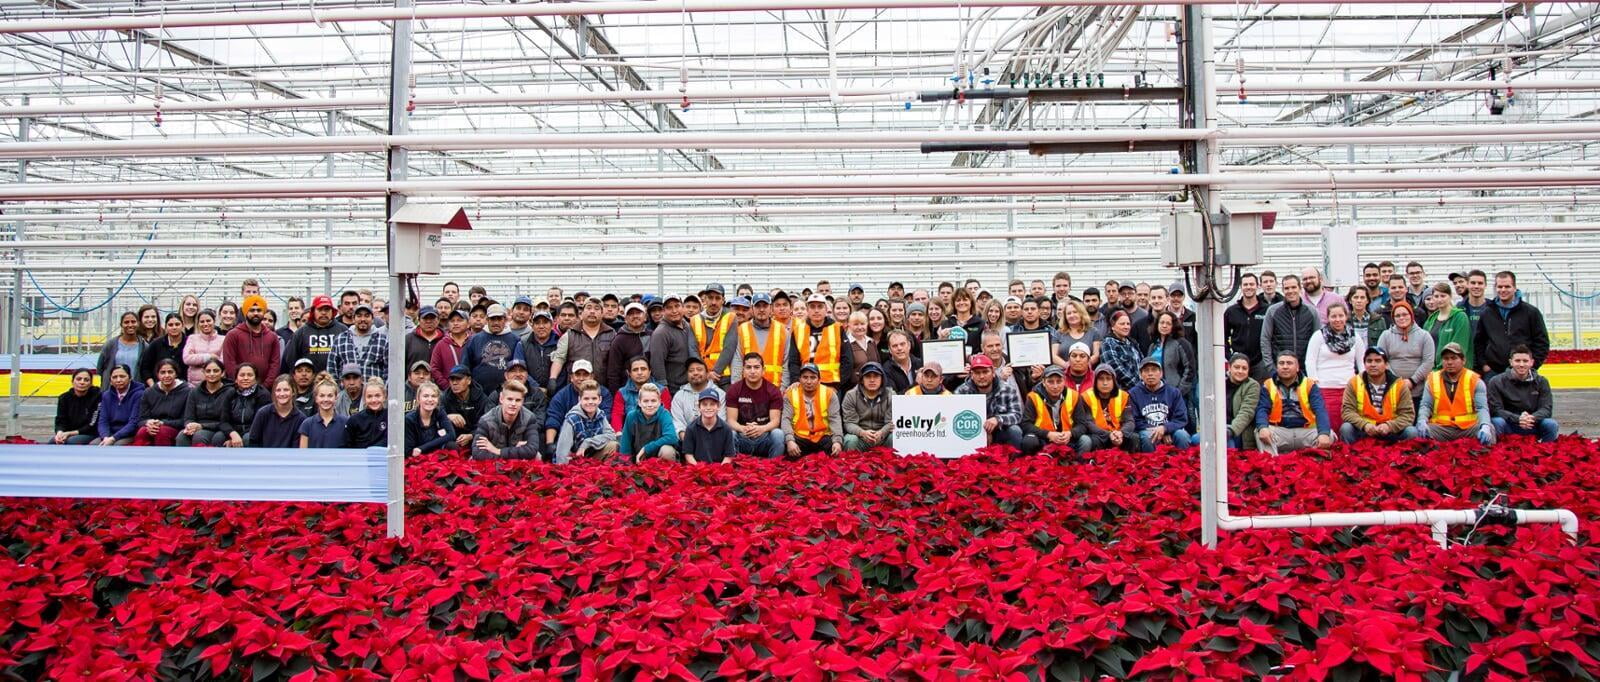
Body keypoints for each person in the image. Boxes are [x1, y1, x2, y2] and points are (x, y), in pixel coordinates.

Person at [1474, 270, 1549, 380]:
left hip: (1522, 371)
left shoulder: (1530, 312)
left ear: (1514, 288)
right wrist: (1485, 365)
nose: (1503, 290)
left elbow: (1542, 342)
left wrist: (1532, 365)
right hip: (1494, 372)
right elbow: (1479, 341)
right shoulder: (1487, 313)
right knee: (1494, 397)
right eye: (1500, 287)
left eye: (1507, 286)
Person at [1254, 352, 1332, 454]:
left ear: (1297, 367)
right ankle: (1272, 464)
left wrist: (1324, 433)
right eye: (1281, 363)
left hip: (1305, 431)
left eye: (1289, 363)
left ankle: (1313, 464)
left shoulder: (1309, 385)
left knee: (1328, 435)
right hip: (1280, 431)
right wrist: (1263, 427)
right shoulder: (1268, 385)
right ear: (1277, 367)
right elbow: (1262, 409)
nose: (1285, 367)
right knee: (1259, 431)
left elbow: (1320, 410)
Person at [1417, 342, 1494, 445]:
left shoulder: (1475, 381)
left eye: (1454, 358)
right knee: (1415, 433)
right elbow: (1426, 405)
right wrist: (1422, 420)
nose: (1449, 362)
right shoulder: (1432, 379)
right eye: (1446, 358)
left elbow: (1482, 408)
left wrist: (1485, 425)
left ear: (1463, 360)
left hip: (1468, 428)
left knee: (1491, 430)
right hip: (1441, 428)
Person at [1304, 301, 1363, 434]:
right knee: (1328, 423)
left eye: (1340, 316)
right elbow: (1310, 361)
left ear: (1346, 316)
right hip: (1324, 388)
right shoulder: (1319, 336)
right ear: (1328, 318)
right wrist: (1314, 381)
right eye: (1333, 316)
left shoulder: (1355, 337)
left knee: (1347, 424)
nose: (1337, 320)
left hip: (1349, 388)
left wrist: (1362, 381)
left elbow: (1362, 362)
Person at [1339, 347, 1417, 444]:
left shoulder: (1399, 385)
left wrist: (1389, 426)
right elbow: (1347, 411)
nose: (1373, 365)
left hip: (1391, 432)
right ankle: (1350, 456)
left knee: (1411, 432)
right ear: (1364, 364)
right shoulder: (1354, 383)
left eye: (1378, 361)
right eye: (1369, 361)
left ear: (1386, 365)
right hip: (1364, 430)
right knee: (1346, 428)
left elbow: (1408, 415)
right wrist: (1365, 425)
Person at [1487, 345, 1559, 443]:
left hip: (1533, 423)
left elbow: (1546, 409)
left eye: (1525, 361)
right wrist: (1518, 419)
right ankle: (1499, 451)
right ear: (1510, 362)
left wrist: (1532, 417)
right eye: (1517, 361)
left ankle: (1546, 452)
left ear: (1532, 362)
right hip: (1509, 424)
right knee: (1496, 422)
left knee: (1551, 424)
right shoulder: (1496, 381)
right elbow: (1496, 410)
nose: (1521, 364)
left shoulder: (1542, 381)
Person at [544, 360, 614, 455]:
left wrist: (588, 442)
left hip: (597, 444)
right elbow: (553, 419)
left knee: (613, 445)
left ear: (592, 377)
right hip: (572, 447)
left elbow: (608, 424)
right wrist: (550, 444)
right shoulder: (561, 397)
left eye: (585, 374)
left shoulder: (603, 394)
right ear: (571, 378)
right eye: (577, 374)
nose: (581, 378)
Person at [954, 354, 1024, 449]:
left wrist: (997, 419)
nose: (981, 376)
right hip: (970, 433)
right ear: (972, 375)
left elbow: (1017, 415)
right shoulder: (961, 391)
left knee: (1015, 431)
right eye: (977, 373)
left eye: (985, 372)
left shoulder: (1008, 389)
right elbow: (955, 417)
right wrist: (982, 432)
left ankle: (1012, 461)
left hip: (999, 432)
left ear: (993, 372)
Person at [725, 353, 786, 458]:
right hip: (742, 435)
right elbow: (731, 421)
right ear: (743, 370)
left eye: (756, 367)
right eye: (748, 367)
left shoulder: (773, 391)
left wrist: (761, 429)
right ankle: (733, 469)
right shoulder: (734, 390)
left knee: (778, 434)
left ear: (763, 370)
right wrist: (743, 428)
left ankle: (774, 468)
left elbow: (775, 421)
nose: (752, 371)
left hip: (764, 436)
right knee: (730, 433)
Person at [789, 294, 851, 393]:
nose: (816, 310)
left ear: (826, 309)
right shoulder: (798, 330)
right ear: (807, 310)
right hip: (806, 385)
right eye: (812, 307)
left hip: (831, 385)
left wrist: (838, 386)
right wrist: (796, 381)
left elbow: (847, 360)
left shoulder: (837, 328)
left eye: (820, 307)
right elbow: (793, 361)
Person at [1259, 274, 1319, 377]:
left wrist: (1314, 367)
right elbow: (1265, 339)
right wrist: (1271, 368)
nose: (1290, 291)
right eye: (1287, 288)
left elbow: (1319, 340)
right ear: (1282, 290)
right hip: (1281, 370)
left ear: (1300, 288)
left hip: (1305, 370)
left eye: (1293, 287)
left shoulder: (1312, 311)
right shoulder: (1273, 311)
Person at [551, 298, 617, 392]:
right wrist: (552, 378)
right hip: (576, 390)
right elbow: (559, 359)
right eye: (589, 308)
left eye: (597, 308)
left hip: (603, 389)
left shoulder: (612, 334)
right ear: (581, 313)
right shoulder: (570, 335)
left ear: (602, 313)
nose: (592, 311)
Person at [1128, 356, 1191, 452]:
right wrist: (1157, 431)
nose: (1150, 374)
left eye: (1154, 370)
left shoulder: (1174, 392)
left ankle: (1183, 464)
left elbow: (1181, 419)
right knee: (1146, 437)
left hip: (1170, 430)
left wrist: (1165, 429)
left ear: (1161, 373)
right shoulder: (1133, 393)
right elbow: (1134, 420)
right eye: (1146, 371)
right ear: (1140, 375)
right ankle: (1150, 465)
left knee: (1182, 436)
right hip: (1147, 431)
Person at [472, 380, 543, 460]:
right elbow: (477, 453)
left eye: (518, 400)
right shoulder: (486, 420)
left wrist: (498, 451)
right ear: (501, 399)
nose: (513, 404)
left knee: (537, 456)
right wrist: (514, 454)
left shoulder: (529, 418)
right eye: (509, 399)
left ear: (522, 401)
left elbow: (532, 450)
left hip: (517, 464)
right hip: (494, 464)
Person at [459, 303, 522, 394]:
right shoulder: (474, 340)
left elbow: (519, 368)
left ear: (505, 319)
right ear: (487, 320)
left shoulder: (515, 340)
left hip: (507, 393)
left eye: (499, 319)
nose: (496, 322)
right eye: (492, 319)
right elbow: (465, 367)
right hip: (479, 394)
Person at [783, 364, 842, 457]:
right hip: (799, 437)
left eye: (813, 377)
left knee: (834, 449)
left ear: (819, 380)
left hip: (823, 437)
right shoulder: (790, 394)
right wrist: (790, 440)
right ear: (799, 379)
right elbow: (785, 419)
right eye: (805, 377)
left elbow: (835, 419)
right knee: (787, 446)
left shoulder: (829, 394)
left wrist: (837, 441)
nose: (809, 381)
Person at [1377, 301, 1434, 396]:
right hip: (1393, 389)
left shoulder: (1424, 336)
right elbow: (1381, 360)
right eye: (1397, 316)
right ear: (1393, 318)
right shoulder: (1385, 336)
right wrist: (1396, 381)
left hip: (1420, 391)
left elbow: (1428, 362)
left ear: (1411, 315)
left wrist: (1412, 381)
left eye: (1405, 314)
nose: (1402, 318)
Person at [1020, 365, 1080, 455]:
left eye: (1059, 381)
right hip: (1043, 438)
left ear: (1064, 381)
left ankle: (1078, 464)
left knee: (1085, 440)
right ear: (1043, 382)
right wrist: (1048, 434)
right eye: (1050, 382)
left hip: (1067, 439)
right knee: (1029, 441)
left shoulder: (1074, 396)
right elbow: (1025, 425)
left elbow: (1083, 423)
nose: (1055, 386)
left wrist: (1070, 433)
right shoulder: (1033, 397)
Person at [553, 380, 618, 463]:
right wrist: (563, 471)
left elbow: (611, 435)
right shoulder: (572, 419)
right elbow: (562, 452)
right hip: (574, 460)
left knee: (613, 445)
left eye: (594, 398)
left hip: (592, 456)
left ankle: (604, 474)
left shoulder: (600, 414)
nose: (590, 402)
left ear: (600, 399)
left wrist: (588, 442)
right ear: (579, 399)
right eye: (586, 399)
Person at [222, 295, 282, 383]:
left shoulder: (272, 337)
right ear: (245, 312)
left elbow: (275, 364)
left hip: (264, 390)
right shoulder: (233, 335)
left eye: (259, 310)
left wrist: (265, 386)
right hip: (238, 389)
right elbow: (230, 363)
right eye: (252, 310)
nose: (256, 313)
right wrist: (239, 383)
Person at [1076, 364, 1135, 453]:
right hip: (1098, 435)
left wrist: (1121, 433)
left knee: (1135, 438)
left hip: (1118, 434)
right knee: (1088, 440)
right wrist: (1109, 435)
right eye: (1101, 379)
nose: (1105, 383)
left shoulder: (1123, 396)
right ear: (1095, 381)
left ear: (1114, 381)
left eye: (1108, 378)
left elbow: (1129, 421)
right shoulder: (1086, 397)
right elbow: (1088, 423)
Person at [133, 359, 191, 446]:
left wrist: (163, 423)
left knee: (162, 432)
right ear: (157, 374)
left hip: (175, 428)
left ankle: (164, 459)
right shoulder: (149, 392)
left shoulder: (187, 392)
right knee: (142, 431)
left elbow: (185, 420)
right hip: (154, 426)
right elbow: (141, 419)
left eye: (170, 372)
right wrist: (148, 423)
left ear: (176, 373)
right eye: (163, 372)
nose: (166, 375)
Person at [648, 294, 698, 392]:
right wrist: (663, 389)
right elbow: (657, 364)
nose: (674, 311)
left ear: (682, 307)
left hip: (690, 385)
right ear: (664, 311)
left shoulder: (687, 325)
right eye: (669, 308)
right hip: (673, 389)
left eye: (677, 306)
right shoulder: (661, 333)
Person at [286, 295, 346, 376]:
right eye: (320, 309)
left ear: (332, 312)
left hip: (336, 382)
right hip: (309, 384)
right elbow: (291, 359)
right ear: (313, 311)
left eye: (327, 309)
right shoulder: (301, 333)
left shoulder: (343, 331)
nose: (324, 312)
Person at [619, 383, 679, 463]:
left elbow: (672, 437)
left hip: (659, 459)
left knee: (667, 451)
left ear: (659, 402)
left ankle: (664, 474)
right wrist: (626, 468)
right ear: (639, 402)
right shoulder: (631, 416)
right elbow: (625, 445)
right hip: (638, 459)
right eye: (646, 401)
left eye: (653, 401)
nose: (650, 405)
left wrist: (646, 448)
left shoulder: (664, 414)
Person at [325, 303, 387, 381]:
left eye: (367, 316)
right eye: (359, 316)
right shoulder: (341, 339)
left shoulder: (383, 340)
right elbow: (331, 368)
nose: (363, 319)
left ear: (373, 319)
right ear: (353, 319)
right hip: (346, 391)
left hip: (374, 392)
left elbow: (388, 370)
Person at [1151, 311, 1196, 413]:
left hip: (1176, 393)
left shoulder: (1181, 343)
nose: (1164, 326)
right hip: (1156, 393)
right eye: (1162, 322)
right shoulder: (1153, 346)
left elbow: (1190, 368)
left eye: (1168, 323)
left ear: (1173, 326)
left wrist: (1179, 391)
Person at [841, 362, 893, 452]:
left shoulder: (891, 395)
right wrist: (862, 433)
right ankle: (851, 465)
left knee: (894, 437)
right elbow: (849, 423)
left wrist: (881, 433)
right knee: (850, 439)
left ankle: (897, 465)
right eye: (868, 376)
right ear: (862, 380)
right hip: (861, 437)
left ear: (882, 379)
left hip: (883, 437)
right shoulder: (851, 395)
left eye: (876, 376)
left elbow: (891, 422)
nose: (872, 380)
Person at [611, 355, 672, 431]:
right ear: (629, 373)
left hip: (657, 434)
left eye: (643, 369)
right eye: (635, 370)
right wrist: (618, 433)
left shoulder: (662, 391)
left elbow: (666, 416)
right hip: (630, 435)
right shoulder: (622, 393)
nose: (639, 373)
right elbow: (617, 415)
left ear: (649, 371)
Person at [1224, 273, 1268, 377]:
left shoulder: (1267, 310)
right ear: (1240, 287)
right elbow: (1223, 337)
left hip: (1260, 363)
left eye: (1251, 284)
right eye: (1245, 284)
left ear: (1257, 286)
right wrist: (1230, 357)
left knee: (1260, 392)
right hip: (1238, 364)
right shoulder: (1231, 311)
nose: (1248, 287)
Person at [691, 283, 735, 382]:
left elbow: (729, 348)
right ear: (705, 299)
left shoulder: (731, 318)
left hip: (723, 376)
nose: (713, 302)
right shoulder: (694, 320)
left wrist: (715, 372)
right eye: (710, 298)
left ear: (723, 300)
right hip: (702, 376)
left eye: (717, 298)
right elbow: (693, 350)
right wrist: (705, 372)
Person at [1422, 283, 1473, 370]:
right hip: (1433, 371)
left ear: (1450, 296)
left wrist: (1441, 367)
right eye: (1436, 296)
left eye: (1443, 296)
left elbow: (1460, 347)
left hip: (1455, 370)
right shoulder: (1431, 320)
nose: (1439, 299)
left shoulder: (1460, 317)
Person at [680, 387, 737, 464]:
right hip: (698, 469)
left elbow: (729, 456)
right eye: (704, 404)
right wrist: (699, 469)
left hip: (720, 470)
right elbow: (688, 455)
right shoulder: (691, 428)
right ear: (698, 407)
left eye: (712, 404)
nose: (708, 408)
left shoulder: (726, 429)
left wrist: (719, 471)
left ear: (719, 406)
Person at [669, 359, 724, 438]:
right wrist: (686, 438)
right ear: (687, 375)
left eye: (699, 369)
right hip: (686, 441)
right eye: (691, 370)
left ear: (707, 373)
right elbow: (677, 422)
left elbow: (722, 420)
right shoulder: (679, 396)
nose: (695, 373)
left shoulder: (719, 394)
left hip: (714, 439)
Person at [605, 302, 653, 390]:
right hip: (628, 389)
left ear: (645, 317)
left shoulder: (652, 336)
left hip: (651, 388)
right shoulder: (619, 340)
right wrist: (616, 394)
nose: (635, 316)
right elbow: (613, 372)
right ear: (626, 319)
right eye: (631, 314)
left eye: (638, 313)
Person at [220, 363, 269, 447]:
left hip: (253, 432)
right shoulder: (230, 393)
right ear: (236, 379)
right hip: (234, 432)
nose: (245, 378)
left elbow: (259, 424)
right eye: (242, 375)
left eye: (250, 375)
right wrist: (233, 434)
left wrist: (239, 437)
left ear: (256, 379)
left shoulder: (263, 395)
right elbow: (223, 422)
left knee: (247, 438)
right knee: (218, 437)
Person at [250, 374, 306, 448]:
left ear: (293, 392)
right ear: (274, 392)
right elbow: (253, 441)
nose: (282, 394)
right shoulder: (263, 413)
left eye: (286, 390)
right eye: (278, 390)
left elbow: (296, 449)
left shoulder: (301, 419)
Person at [95, 365, 144, 446]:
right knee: (94, 444)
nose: (118, 380)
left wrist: (113, 438)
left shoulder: (139, 394)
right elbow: (103, 421)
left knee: (117, 446)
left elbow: (134, 423)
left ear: (130, 377)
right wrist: (105, 437)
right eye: (114, 377)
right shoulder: (106, 395)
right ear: (110, 380)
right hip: (109, 434)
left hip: (130, 434)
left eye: (122, 376)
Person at [405, 381, 457, 456]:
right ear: (418, 399)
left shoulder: (440, 412)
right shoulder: (409, 419)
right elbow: (409, 451)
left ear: (438, 400)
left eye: (433, 396)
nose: (430, 399)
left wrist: (422, 448)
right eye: (425, 396)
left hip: (434, 452)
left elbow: (451, 435)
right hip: (417, 457)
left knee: (452, 445)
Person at [444, 366, 489, 450]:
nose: (454, 383)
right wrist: (448, 416)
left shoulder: (482, 398)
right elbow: (435, 418)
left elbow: (487, 424)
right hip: (454, 439)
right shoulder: (445, 397)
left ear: (469, 380)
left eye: (458, 379)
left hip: (475, 437)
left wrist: (471, 435)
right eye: (452, 379)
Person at [52, 368, 101, 444]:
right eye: (79, 379)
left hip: (90, 433)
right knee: (53, 442)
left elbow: (93, 424)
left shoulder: (98, 397)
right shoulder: (64, 398)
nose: (82, 382)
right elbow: (60, 420)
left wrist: (70, 433)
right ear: (72, 381)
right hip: (68, 433)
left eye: (86, 380)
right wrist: (59, 433)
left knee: (71, 441)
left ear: (91, 383)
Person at [97, 311, 146, 387]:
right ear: (121, 325)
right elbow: (100, 368)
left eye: (133, 322)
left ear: (138, 324)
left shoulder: (144, 346)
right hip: (113, 390)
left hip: (135, 391)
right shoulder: (110, 345)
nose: (130, 325)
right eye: (126, 322)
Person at [141, 313, 188, 387]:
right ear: (165, 327)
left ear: (183, 325)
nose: (174, 327)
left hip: (184, 389)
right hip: (160, 388)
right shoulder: (156, 344)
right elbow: (145, 368)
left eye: (177, 324)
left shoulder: (190, 343)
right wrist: (153, 386)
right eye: (170, 325)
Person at [1224, 354, 1260, 450]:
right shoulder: (1219, 382)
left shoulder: (1252, 386)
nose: (1240, 371)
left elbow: (1246, 412)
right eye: (1236, 367)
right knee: (1195, 439)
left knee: (1226, 442)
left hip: (1239, 431)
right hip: (1219, 428)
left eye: (1244, 368)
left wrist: (1230, 431)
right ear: (1229, 367)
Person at [429, 309, 472, 389]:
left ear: (468, 324)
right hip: (448, 392)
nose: (455, 323)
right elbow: (434, 369)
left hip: (472, 390)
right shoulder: (441, 345)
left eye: (459, 320)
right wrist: (447, 386)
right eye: (452, 321)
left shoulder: (474, 341)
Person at [1100, 310, 1142, 391]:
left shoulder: (1133, 343)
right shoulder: (1108, 343)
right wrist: (1139, 387)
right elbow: (1116, 369)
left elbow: (1142, 364)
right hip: (1121, 391)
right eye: (1122, 324)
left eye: (1128, 324)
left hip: (1138, 390)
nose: (1126, 327)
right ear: (1113, 326)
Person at [342, 379, 389, 449]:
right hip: (360, 459)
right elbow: (346, 447)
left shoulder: (391, 417)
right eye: (369, 396)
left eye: (377, 396)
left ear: (384, 396)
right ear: (364, 398)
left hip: (384, 458)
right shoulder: (354, 420)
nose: (373, 400)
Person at [299, 380, 347, 448]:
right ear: (316, 398)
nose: (326, 399)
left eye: (330, 396)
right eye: (322, 396)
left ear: (336, 398)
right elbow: (302, 454)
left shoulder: (345, 422)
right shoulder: (307, 424)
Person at [405, 306, 444, 372]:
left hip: (439, 381)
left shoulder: (445, 339)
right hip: (414, 381)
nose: (428, 321)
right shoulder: (408, 339)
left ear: (438, 320)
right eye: (425, 318)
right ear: (419, 320)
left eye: (432, 318)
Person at [881, 329, 921, 394]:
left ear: (909, 345)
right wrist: (916, 384)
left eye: (902, 344)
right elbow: (893, 398)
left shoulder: (920, 363)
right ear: (890, 350)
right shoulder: (886, 370)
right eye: (895, 346)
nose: (899, 348)